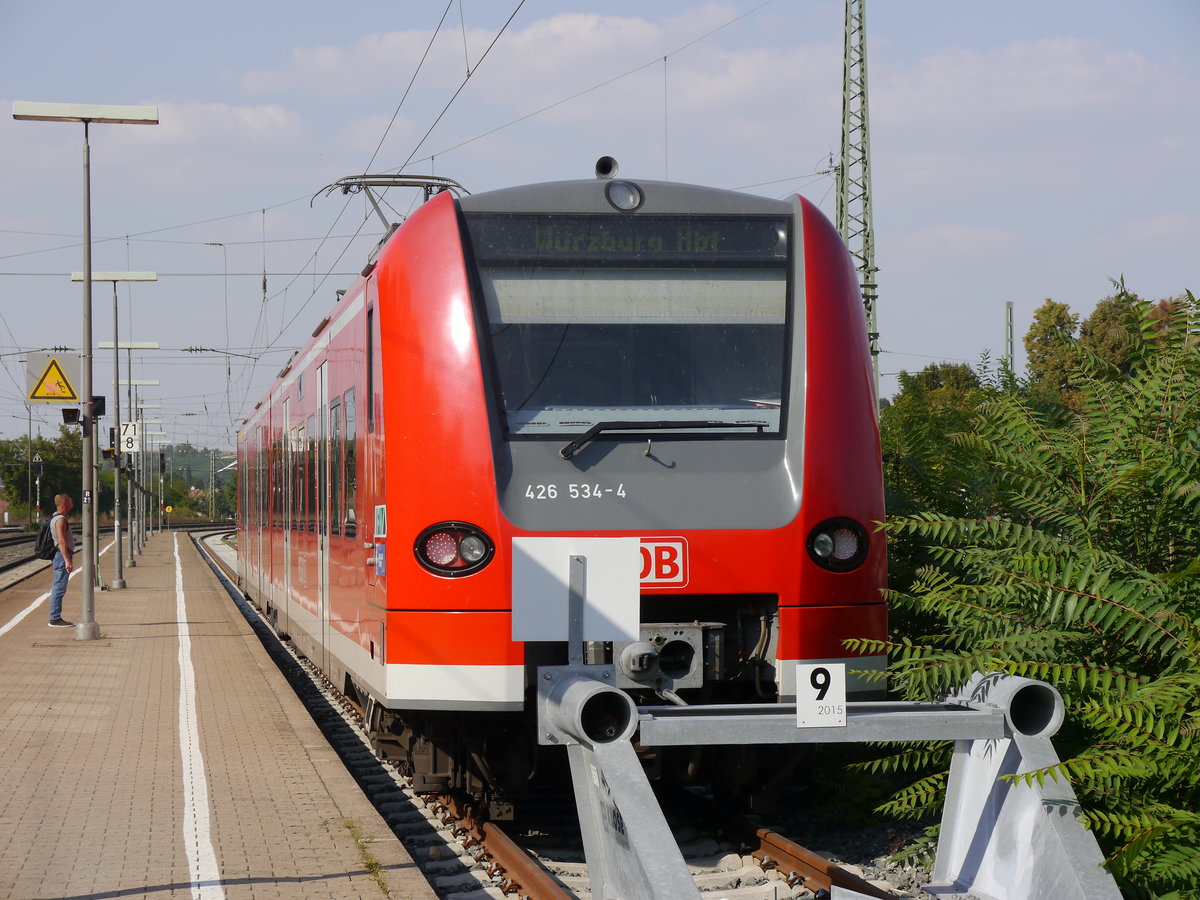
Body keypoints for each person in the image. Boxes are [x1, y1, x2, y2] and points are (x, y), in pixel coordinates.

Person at [48, 493, 74, 627]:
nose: (71, 501)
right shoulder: (61, 520)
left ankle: (55, 617)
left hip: (60, 556)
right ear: (65, 501)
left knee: (59, 587)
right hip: (62, 556)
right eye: (69, 499)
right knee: (59, 588)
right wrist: (67, 560)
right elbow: (61, 541)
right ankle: (55, 618)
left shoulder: (56, 517)